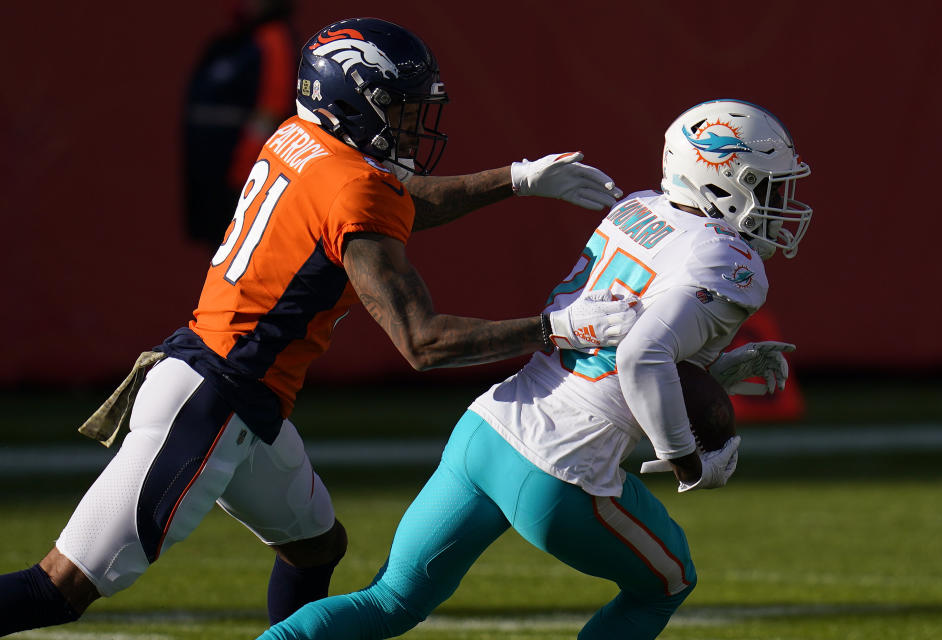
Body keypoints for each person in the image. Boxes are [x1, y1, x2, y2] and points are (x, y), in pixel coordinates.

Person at [0, 18, 640, 636]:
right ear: (351, 102)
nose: (414, 124)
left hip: (241, 396)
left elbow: (391, 202)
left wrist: (517, 179)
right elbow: (423, 341)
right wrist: (556, 327)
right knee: (58, 589)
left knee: (315, 545)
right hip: (214, 401)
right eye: (400, 108)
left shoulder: (300, 139)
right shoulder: (354, 188)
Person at [254, 98, 813, 640]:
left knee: (387, 603)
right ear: (724, 179)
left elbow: (624, 348)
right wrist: (688, 460)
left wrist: (715, 374)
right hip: (563, 470)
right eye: (769, 187)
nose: (779, 204)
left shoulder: (637, 208)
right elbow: (642, 355)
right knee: (668, 583)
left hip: (489, 429)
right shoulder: (728, 260)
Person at [183, 0, 298, 248]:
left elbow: (272, 109)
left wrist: (245, 172)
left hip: (242, 176)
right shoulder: (224, 44)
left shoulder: (273, 38)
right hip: (208, 172)